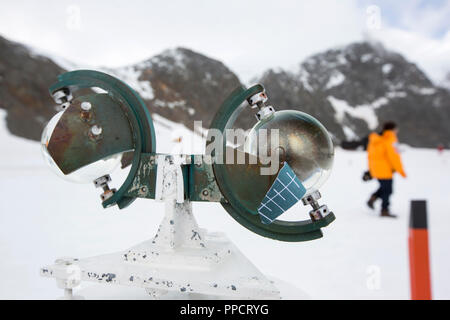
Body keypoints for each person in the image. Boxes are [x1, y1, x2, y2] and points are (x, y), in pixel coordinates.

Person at [366, 122, 406, 218]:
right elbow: (394, 157)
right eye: (396, 129)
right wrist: (401, 171)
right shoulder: (390, 139)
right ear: (392, 129)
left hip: (376, 169)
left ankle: (373, 198)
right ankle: (384, 210)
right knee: (388, 190)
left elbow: (370, 155)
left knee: (384, 188)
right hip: (385, 170)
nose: (397, 131)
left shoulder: (375, 139)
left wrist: (371, 170)